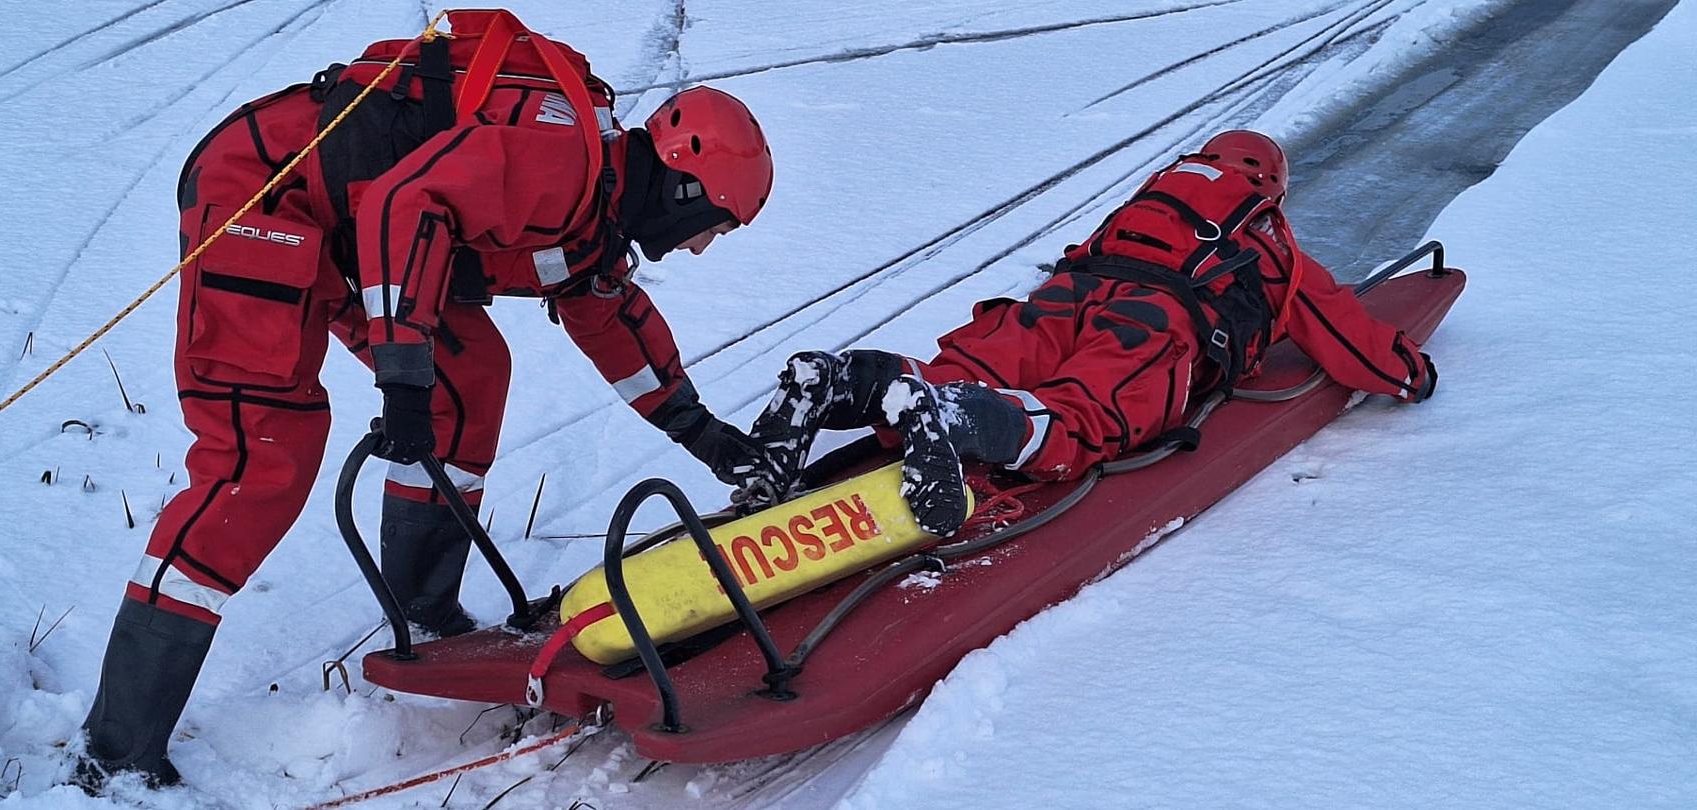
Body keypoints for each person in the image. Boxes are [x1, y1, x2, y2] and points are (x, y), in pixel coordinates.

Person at [76, 11, 773, 789]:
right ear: (682, 187)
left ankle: (421, 608)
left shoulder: (593, 212)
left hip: (344, 234)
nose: (704, 245)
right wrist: (402, 377)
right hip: (263, 194)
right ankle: (117, 748)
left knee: (470, 375)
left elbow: (612, 318)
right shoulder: (565, 163)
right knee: (260, 461)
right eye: (714, 224)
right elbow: (403, 208)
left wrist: (702, 432)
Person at [742, 130, 1436, 536]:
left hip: (1065, 293)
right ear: (1271, 187)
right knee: (1083, 416)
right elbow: (1346, 340)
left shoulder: (1155, 195)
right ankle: (960, 419)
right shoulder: (1267, 236)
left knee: (975, 363)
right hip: (1150, 324)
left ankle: (848, 382)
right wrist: (1410, 372)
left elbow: (1092, 258)